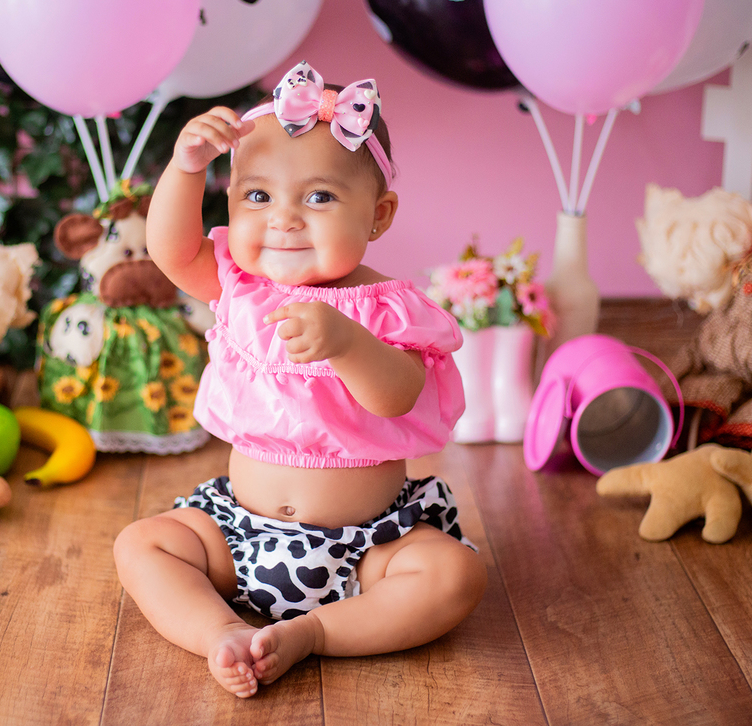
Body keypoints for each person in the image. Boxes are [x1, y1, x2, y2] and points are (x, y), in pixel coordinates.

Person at [114, 62, 487, 698]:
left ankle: (316, 632)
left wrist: (346, 344)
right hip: (239, 535)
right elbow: (170, 253)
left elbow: (397, 396)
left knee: (455, 576)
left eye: (319, 197)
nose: (284, 219)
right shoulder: (241, 285)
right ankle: (221, 632)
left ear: (378, 215)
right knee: (141, 544)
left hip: (369, 545)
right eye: (258, 196)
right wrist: (186, 167)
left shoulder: (386, 307)